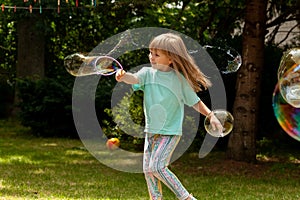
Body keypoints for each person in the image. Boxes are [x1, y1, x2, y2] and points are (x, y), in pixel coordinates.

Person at [115, 33, 222, 200]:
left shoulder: (179, 80)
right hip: (151, 131)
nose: (151, 57)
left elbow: (195, 102)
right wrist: (123, 76)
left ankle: (186, 198)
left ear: (171, 58)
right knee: (148, 170)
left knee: (157, 167)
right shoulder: (147, 73)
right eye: (150, 52)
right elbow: (133, 78)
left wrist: (211, 115)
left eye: (157, 54)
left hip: (170, 132)